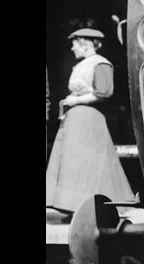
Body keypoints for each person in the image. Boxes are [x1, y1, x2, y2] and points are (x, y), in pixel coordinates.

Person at [46, 28, 134, 213]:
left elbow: (104, 92)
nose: (72, 48)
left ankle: (92, 207)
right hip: (75, 119)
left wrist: (75, 100)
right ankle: (72, 206)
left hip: (89, 119)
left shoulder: (100, 63)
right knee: (74, 163)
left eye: (75, 44)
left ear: (85, 44)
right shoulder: (81, 65)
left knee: (88, 164)